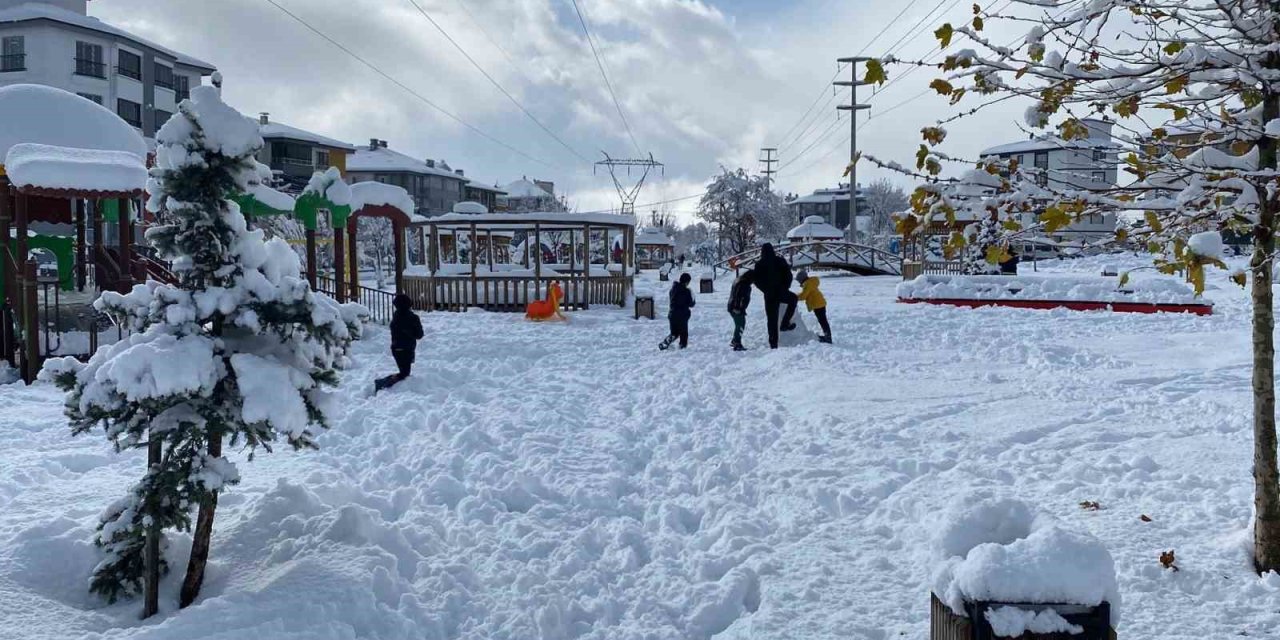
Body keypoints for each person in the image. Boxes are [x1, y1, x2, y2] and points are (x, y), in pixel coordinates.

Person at [749, 243, 799, 349]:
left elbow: (757, 280)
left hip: (769, 295)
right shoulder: (780, 261)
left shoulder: (759, 264)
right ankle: (785, 323)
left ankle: (773, 343)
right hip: (781, 291)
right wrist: (785, 287)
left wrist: (765, 290)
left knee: (771, 319)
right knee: (793, 299)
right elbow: (788, 275)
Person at [377, 294, 424, 392]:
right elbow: (419, 335)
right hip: (408, 348)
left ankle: (384, 384)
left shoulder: (396, 317)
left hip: (396, 348)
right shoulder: (414, 318)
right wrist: (410, 332)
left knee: (404, 372)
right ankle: (382, 384)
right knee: (404, 374)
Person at [660, 273, 695, 350]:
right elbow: (691, 304)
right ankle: (682, 347)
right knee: (683, 333)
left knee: (674, 333)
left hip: (672, 314)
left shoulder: (673, 289)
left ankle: (666, 342)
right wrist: (693, 298)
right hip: (682, 315)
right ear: (687, 282)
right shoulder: (686, 291)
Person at [795, 270, 832, 344]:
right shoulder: (810, 282)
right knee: (823, 321)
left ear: (801, 279)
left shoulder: (807, 284)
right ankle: (827, 336)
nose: (799, 282)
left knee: (823, 321)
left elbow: (803, 296)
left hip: (818, 305)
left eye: (799, 280)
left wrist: (793, 297)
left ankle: (828, 338)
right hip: (820, 303)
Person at [727, 271, 753, 351]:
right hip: (737, 308)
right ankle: (737, 342)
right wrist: (738, 308)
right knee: (741, 324)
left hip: (732, 306)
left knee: (739, 324)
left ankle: (735, 340)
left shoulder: (738, 280)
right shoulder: (744, 284)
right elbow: (739, 296)